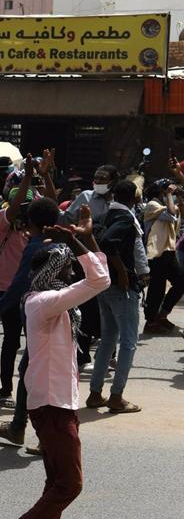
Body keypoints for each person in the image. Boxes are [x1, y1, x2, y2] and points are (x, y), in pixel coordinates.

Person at [0, 226, 108, 519]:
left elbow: (94, 275)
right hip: (51, 404)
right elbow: (99, 280)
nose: (72, 273)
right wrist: (78, 242)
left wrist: (86, 239)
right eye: (66, 269)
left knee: (56, 482)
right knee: (70, 484)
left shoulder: (53, 304)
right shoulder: (43, 302)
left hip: (58, 400)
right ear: (51, 273)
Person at [0, 194, 61, 448]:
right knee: (35, 370)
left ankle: (41, 435)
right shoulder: (62, 243)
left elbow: (18, 285)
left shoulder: (35, 246)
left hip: (41, 317)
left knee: (35, 373)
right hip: (60, 317)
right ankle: (19, 426)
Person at [86, 180, 144, 414]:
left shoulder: (107, 214)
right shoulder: (124, 218)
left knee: (109, 339)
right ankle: (116, 396)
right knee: (129, 343)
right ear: (134, 197)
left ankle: (95, 393)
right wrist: (121, 271)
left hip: (106, 286)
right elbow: (108, 243)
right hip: (121, 288)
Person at [141, 177, 181, 333]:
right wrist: (170, 195)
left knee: (180, 282)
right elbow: (171, 213)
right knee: (157, 287)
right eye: (167, 190)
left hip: (168, 251)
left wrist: (178, 197)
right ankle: (151, 321)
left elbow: (177, 213)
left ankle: (162, 314)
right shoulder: (152, 205)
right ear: (160, 191)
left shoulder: (165, 205)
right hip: (156, 253)